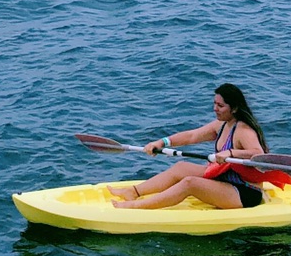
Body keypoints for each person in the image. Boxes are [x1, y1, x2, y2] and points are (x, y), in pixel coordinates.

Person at [110, 83, 270, 210]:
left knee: (190, 183)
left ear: (234, 108)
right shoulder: (221, 125)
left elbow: (258, 153)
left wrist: (231, 152)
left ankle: (136, 207)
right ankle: (133, 192)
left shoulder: (243, 130)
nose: (215, 109)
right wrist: (161, 142)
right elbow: (192, 136)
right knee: (181, 167)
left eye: (220, 106)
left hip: (245, 192)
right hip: (226, 179)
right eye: (214, 103)